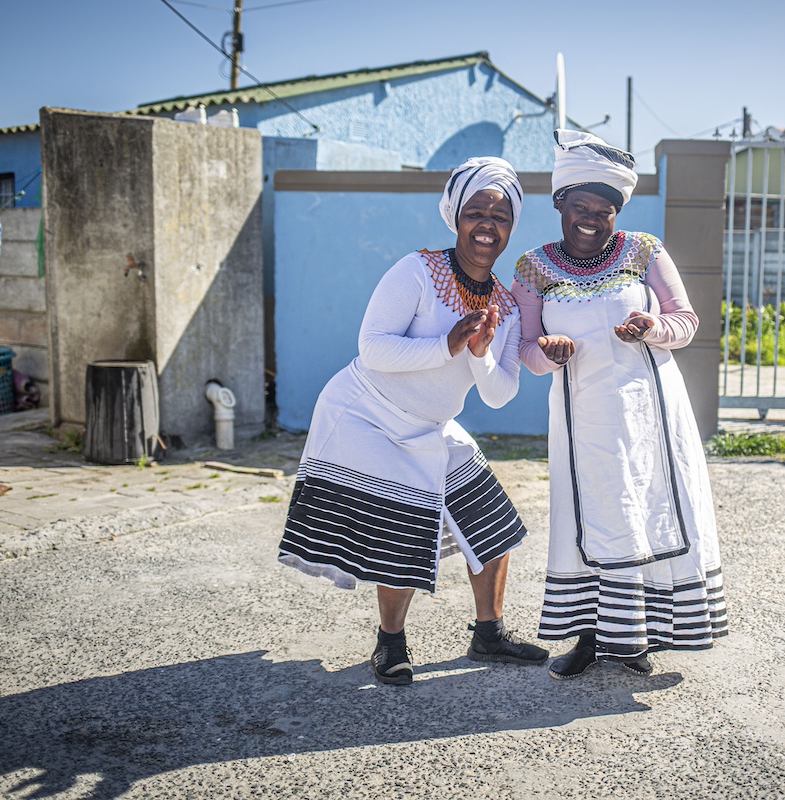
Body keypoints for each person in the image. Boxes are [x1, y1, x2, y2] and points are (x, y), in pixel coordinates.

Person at [278, 156, 548, 686]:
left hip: (431, 424)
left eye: (501, 216)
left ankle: (488, 635)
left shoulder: (507, 306)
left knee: (490, 520)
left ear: (512, 227)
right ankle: (390, 643)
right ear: (455, 217)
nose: (488, 225)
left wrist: (477, 351)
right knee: (402, 526)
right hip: (366, 416)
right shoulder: (417, 270)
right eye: (476, 212)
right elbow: (372, 348)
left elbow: (499, 393)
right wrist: (448, 343)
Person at [511, 130, 728, 680]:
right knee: (591, 516)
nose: (591, 217)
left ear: (617, 213)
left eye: (604, 210)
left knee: (644, 510)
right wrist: (549, 353)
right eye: (580, 206)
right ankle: (590, 637)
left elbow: (686, 322)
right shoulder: (533, 268)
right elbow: (524, 350)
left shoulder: (644, 250)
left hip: (649, 412)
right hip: (581, 414)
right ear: (560, 204)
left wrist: (653, 327)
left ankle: (635, 638)